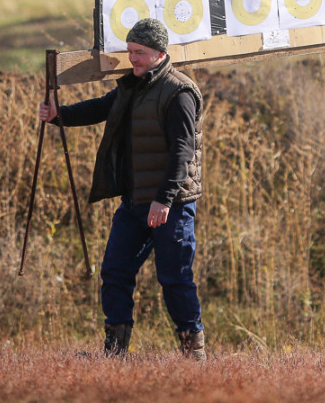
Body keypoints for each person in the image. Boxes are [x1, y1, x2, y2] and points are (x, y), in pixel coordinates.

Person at [38, 18, 206, 360]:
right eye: (130, 51)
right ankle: (115, 352)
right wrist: (59, 115)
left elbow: (182, 152)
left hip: (169, 204)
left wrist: (164, 199)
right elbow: (102, 107)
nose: (133, 59)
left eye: (139, 53)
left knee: (174, 278)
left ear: (160, 53)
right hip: (134, 203)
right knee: (114, 271)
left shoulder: (180, 92)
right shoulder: (133, 85)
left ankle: (194, 353)